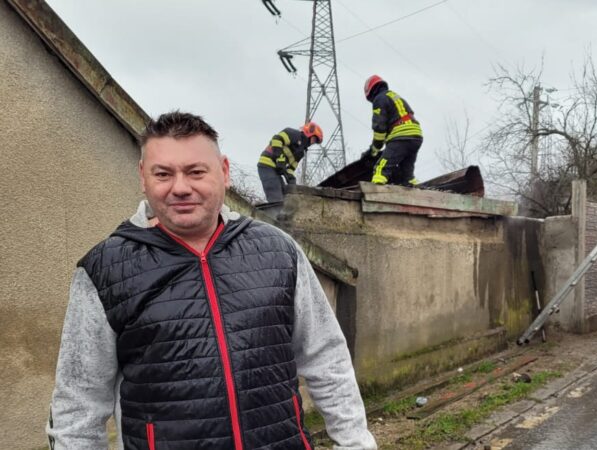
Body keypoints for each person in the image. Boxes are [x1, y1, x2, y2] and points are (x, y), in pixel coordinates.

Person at [46, 111, 375, 450]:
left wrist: (356, 443)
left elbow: (326, 357)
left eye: (196, 172)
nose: (181, 187)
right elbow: (77, 407)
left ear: (224, 172)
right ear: (143, 177)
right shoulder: (104, 269)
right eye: (163, 174)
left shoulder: (279, 250)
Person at [360, 75, 423, 186]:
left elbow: (379, 129)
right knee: (407, 175)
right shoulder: (394, 96)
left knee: (380, 170)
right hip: (416, 136)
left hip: (401, 137)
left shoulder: (379, 99)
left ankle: (377, 195)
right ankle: (415, 188)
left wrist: (373, 151)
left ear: (371, 93)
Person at [258, 122, 323, 204]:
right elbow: (277, 139)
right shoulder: (293, 134)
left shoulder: (301, 152)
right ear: (309, 133)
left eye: (315, 141)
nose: (313, 142)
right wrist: (280, 159)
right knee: (275, 191)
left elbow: (291, 168)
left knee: (284, 193)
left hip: (276, 169)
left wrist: (291, 178)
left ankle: (280, 214)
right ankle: (273, 213)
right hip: (266, 164)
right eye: (314, 139)